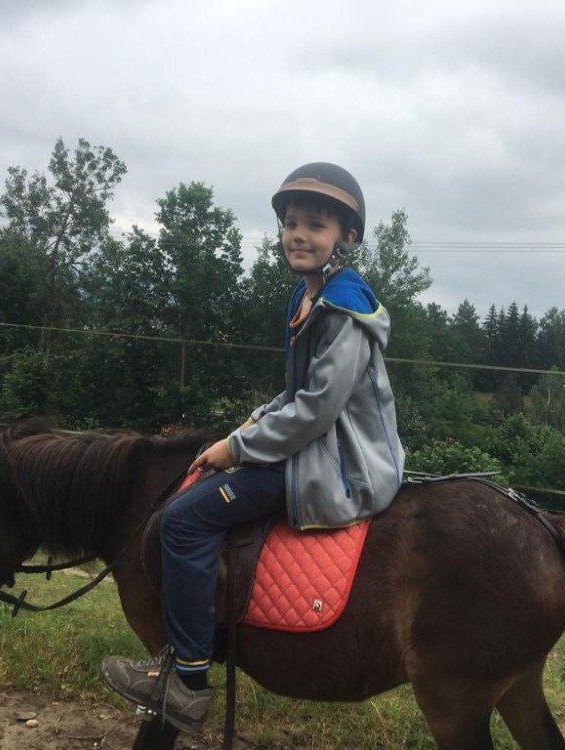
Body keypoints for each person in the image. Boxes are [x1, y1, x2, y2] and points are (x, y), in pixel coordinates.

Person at [101, 162, 405, 732]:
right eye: (291, 223)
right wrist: (247, 425)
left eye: (315, 225)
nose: (299, 235)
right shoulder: (308, 297)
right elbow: (296, 394)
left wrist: (237, 449)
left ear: (348, 236)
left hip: (339, 464)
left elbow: (315, 409)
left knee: (183, 521)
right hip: (316, 447)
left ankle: (188, 680)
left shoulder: (344, 309)